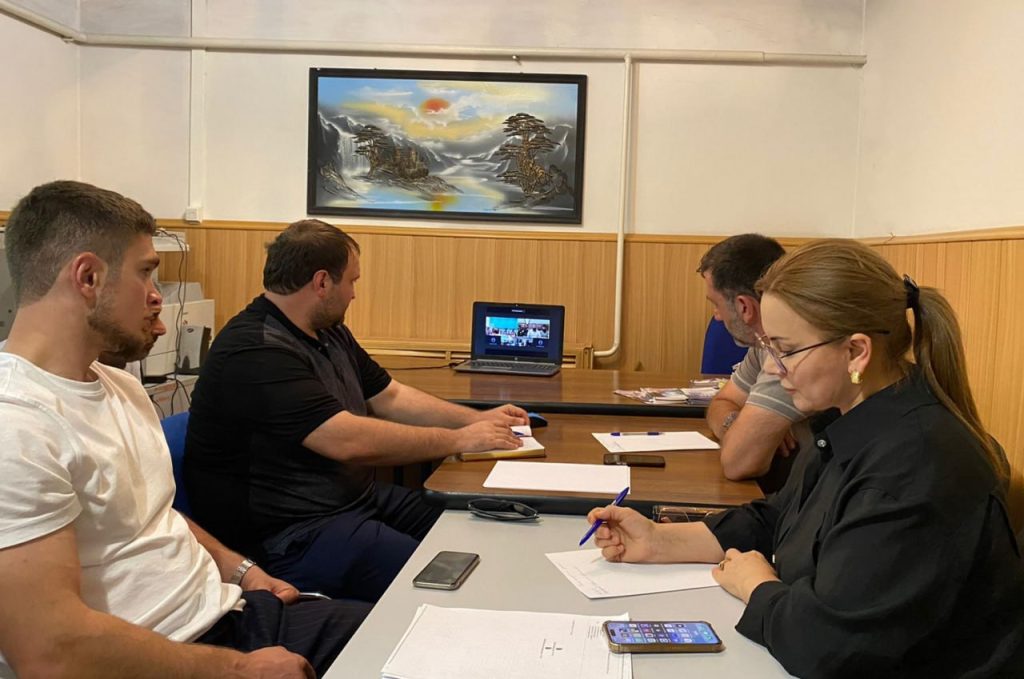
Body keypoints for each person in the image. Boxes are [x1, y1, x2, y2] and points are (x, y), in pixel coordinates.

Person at [589, 239, 1024, 677]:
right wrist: (659, 540)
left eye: (785, 349)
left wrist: (756, 585)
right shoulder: (852, 418)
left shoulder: (916, 465)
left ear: (856, 352)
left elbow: (826, 646)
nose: (771, 368)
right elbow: (782, 517)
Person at [0, 181, 370, 679]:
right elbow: (51, 652)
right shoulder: (16, 425)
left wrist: (243, 571)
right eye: (146, 272)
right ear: (88, 277)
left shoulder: (118, 385)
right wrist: (239, 670)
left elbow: (148, 513)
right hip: (171, 659)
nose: (157, 297)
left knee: (419, 634)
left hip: (229, 616)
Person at [185, 219, 527, 603]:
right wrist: (460, 439)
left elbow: (389, 395)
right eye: (351, 281)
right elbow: (346, 440)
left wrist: (478, 419)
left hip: (352, 501)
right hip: (292, 534)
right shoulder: (255, 350)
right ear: (322, 282)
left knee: (474, 525)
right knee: (446, 579)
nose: (353, 294)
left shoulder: (328, 330)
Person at [698, 233, 810, 491]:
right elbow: (723, 402)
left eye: (716, 304)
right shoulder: (764, 344)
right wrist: (737, 425)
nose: (716, 316)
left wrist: (747, 435)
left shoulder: (789, 351)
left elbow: (739, 463)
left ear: (745, 307)